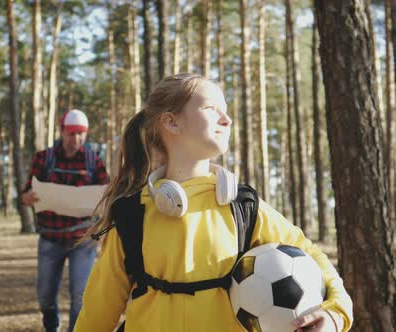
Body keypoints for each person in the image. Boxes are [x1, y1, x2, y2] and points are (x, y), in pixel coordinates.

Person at [74, 74, 353, 332]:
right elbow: (98, 312)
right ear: (171, 122)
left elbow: (311, 255)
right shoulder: (132, 215)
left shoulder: (243, 207)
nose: (227, 119)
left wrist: (335, 312)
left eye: (227, 110)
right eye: (211, 109)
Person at [21, 109, 110, 332]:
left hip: (82, 240)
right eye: (71, 134)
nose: (76, 139)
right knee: (45, 297)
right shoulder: (44, 158)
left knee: (81, 298)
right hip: (50, 238)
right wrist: (28, 198)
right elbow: (24, 195)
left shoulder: (94, 161)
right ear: (61, 132)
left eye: (81, 134)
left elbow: (107, 196)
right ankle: (52, 327)